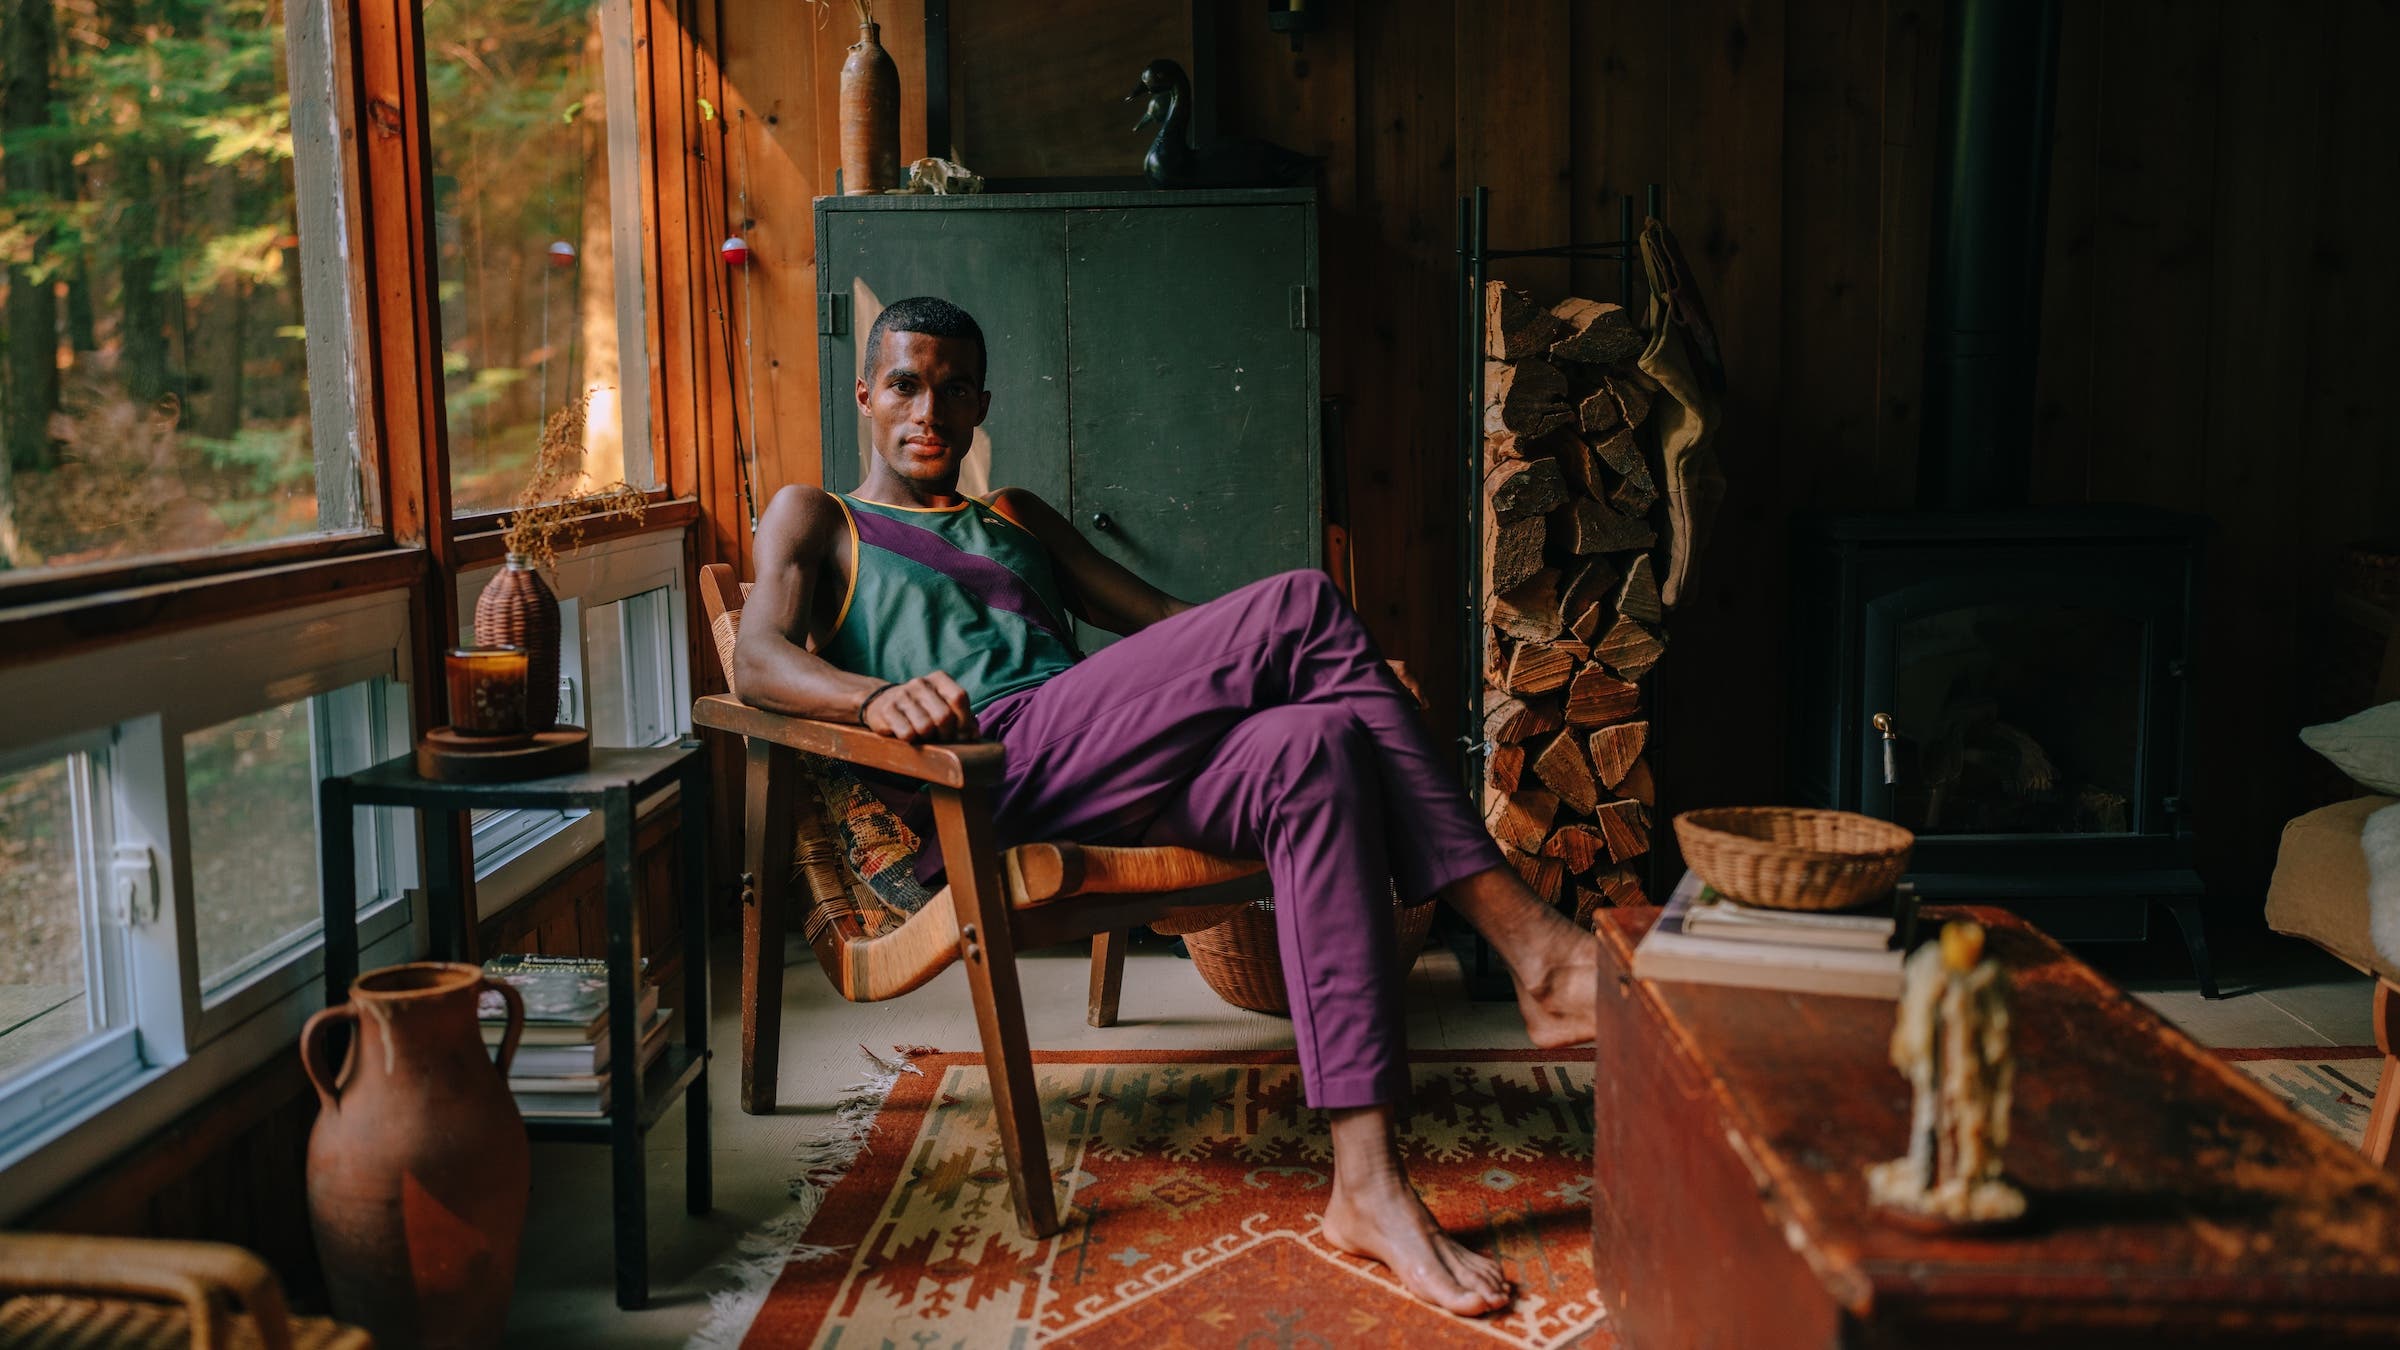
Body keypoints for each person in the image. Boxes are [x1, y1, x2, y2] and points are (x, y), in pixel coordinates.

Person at [734, 295, 1599, 1317]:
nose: (931, 408)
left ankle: (1366, 1185)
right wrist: (873, 696)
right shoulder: (819, 517)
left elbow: (1168, 626)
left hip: (1100, 755)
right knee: (1303, 604)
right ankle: (1536, 951)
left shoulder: (1013, 519)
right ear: (868, 393)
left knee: (1315, 745)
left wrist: (1338, 677)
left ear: (982, 402)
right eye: (909, 384)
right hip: (985, 772)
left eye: (955, 386)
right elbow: (757, 659)